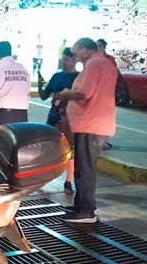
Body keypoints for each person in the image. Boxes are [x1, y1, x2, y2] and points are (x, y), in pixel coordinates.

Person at [55, 37, 118, 223]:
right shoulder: (105, 63)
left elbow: (85, 93)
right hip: (97, 123)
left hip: (91, 123)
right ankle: (83, 205)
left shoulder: (93, 64)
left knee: (85, 169)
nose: (75, 57)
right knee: (86, 167)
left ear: (84, 49)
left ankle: (86, 211)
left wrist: (65, 94)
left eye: (76, 53)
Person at [0, 41, 31, 169]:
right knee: (15, 147)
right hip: (21, 116)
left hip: (1, 116)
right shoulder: (23, 69)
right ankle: (13, 177)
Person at [38, 47, 79, 195]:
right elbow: (43, 96)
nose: (64, 63)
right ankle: (43, 177)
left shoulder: (79, 78)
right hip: (54, 115)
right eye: (63, 60)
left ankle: (68, 181)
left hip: (69, 117)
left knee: (71, 148)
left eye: (67, 60)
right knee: (48, 147)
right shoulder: (56, 76)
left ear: (75, 60)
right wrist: (40, 83)